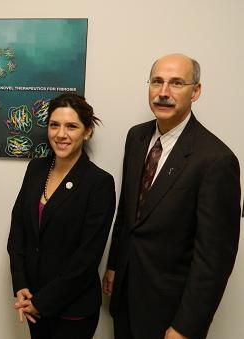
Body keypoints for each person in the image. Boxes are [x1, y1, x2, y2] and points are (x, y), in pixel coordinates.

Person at [103, 54, 241, 339]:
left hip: (169, 313)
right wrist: (115, 264)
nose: (163, 92)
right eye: (157, 82)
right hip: (126, 296)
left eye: (176, 83)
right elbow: (128, 212)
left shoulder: (216, 160)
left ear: (196, 91)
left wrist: (185, 327)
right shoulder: (137, 137)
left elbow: (213, 261)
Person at [7, 93, 116, 339]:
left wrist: (43, 302)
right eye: (54, 125)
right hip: (33, 300)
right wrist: (21, 284)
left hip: (72, 309)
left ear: (87, 132)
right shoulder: (36, 168)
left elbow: (87, 258)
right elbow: (18, 231)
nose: (61, 134)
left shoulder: (98, 183)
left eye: (71, 126)